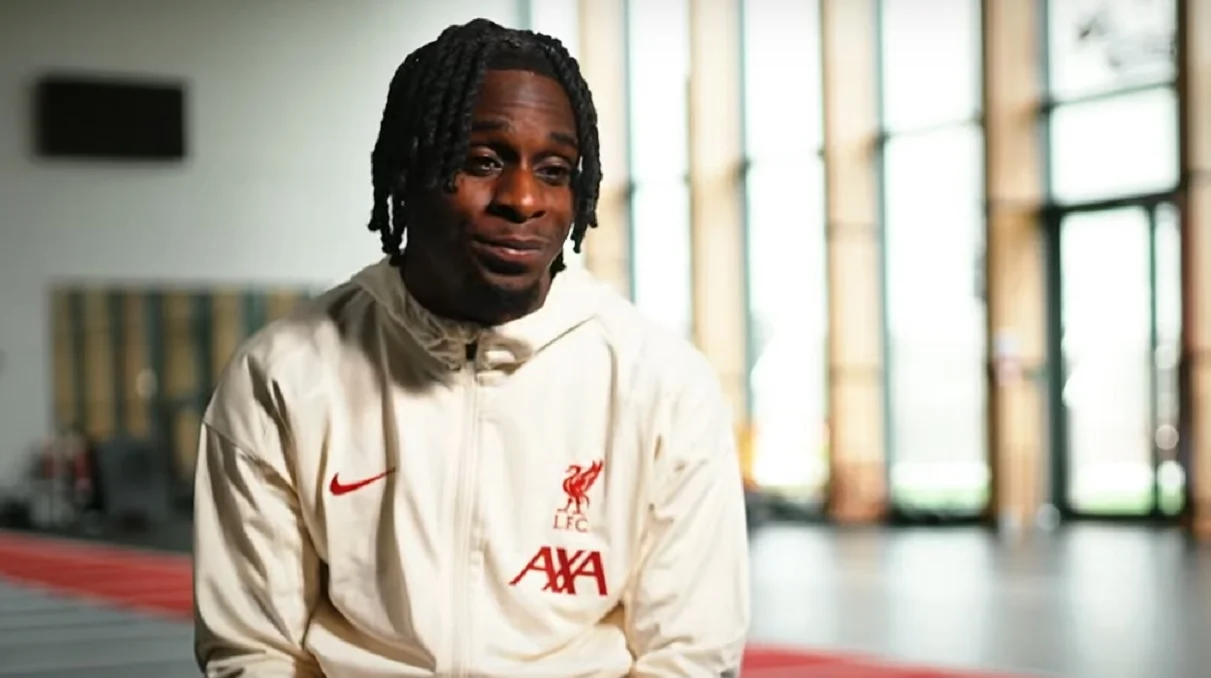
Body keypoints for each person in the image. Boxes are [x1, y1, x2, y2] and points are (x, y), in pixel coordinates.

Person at [193, 18, 749, 678]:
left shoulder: (660, 384)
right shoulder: (284, 375)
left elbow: (688, 653)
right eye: (483, 161)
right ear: (409, 171)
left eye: (553, 171)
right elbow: (253, 650)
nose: (523, 199)